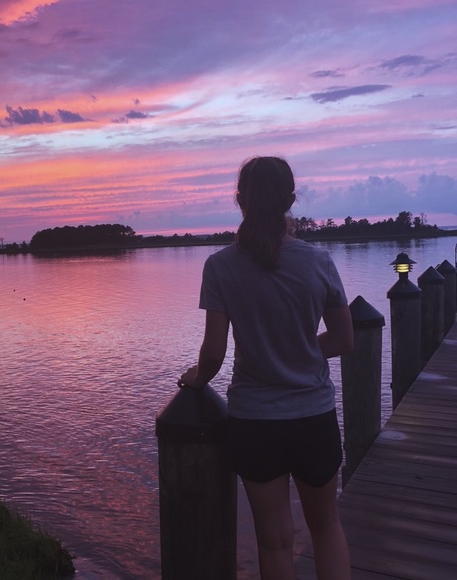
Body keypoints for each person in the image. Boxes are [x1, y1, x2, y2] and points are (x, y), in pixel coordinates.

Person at [179, 156, 353, 580]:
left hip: (255, 421)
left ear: (240, 200)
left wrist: (196, 379)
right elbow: (344, 340)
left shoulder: (220, 266)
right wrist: (300, 351)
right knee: (326, 527)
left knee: (274, 541)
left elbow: (214, 353)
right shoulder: (318, 261)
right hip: (313, 416)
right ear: (291, 200)